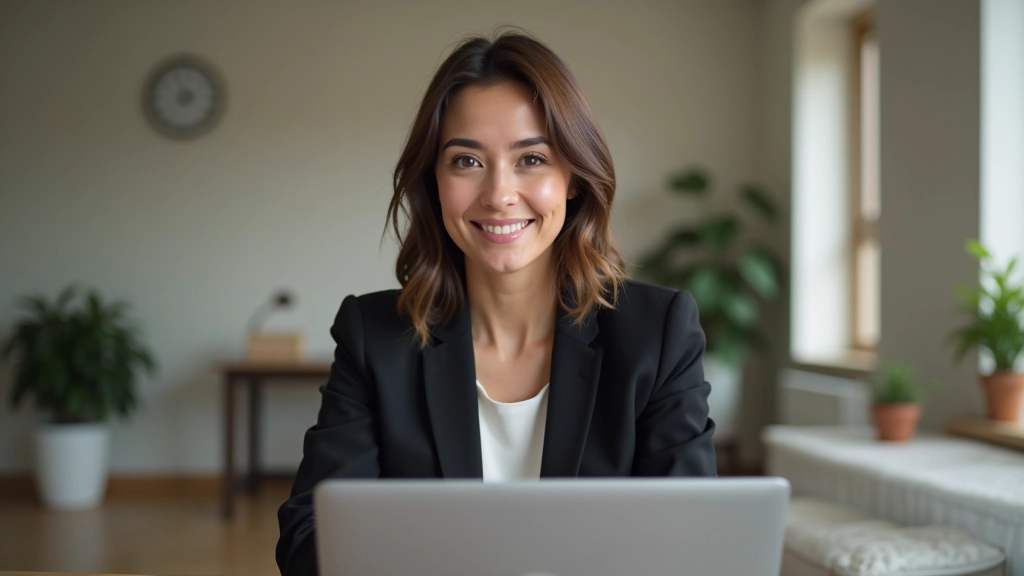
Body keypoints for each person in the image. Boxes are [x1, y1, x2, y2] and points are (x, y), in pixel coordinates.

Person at [276, 28, 717, 576]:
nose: (499, 194)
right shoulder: (375, 337)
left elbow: (693, 544)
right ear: (434, 183)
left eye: (531, 159)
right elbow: (309, 541)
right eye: (466, 161)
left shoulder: (659, 333)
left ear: (573, 178)